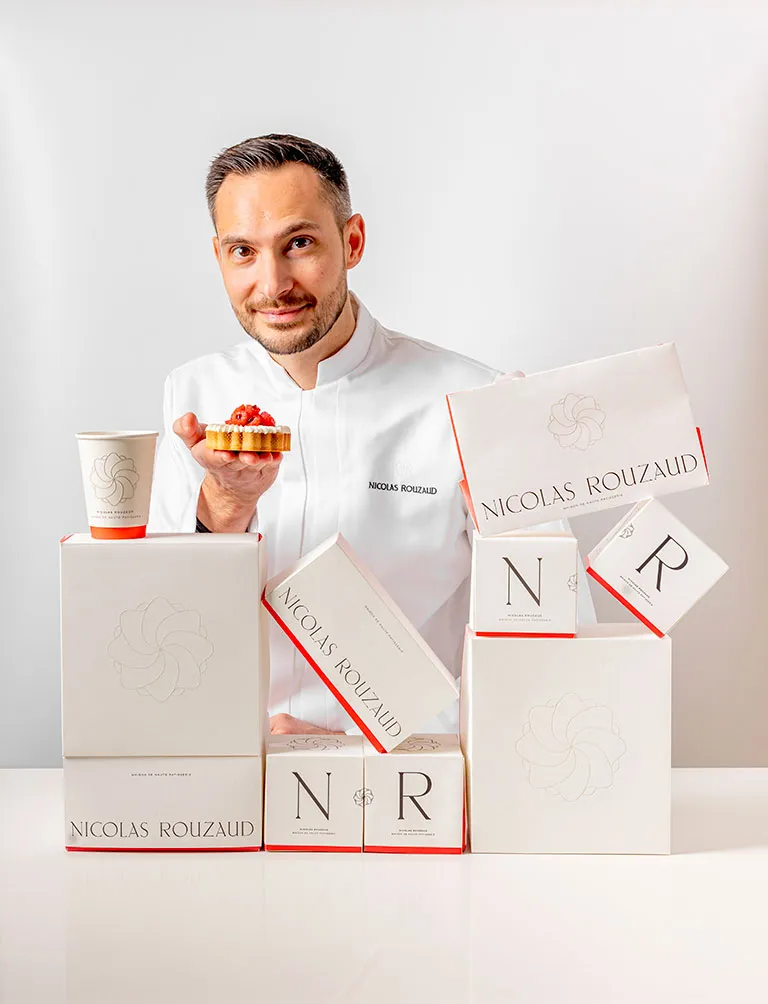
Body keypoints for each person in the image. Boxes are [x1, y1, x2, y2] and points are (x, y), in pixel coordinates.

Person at [147, 133, 594, 735]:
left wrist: (390, 750)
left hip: (414, 796)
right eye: (243, 252)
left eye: (299, 243)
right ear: (219, 257)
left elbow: (561, 646)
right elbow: (161, 630)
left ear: (352, 241)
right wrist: (223, 510)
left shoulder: (477, 404)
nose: (273, 284)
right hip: (235, 791)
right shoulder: (192, 397)